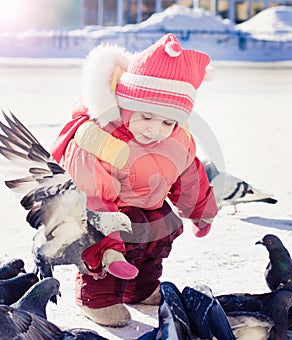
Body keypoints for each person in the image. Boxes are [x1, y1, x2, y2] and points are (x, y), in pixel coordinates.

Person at [50, 33, 218, 327]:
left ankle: (139, 288)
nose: (156, 129)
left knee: (161, 228)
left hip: (146, 205)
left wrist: (201, 211)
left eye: (168, 121)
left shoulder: (176, 139)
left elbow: (190, 176)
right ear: (126, 104)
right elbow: (89, 201)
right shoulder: (99, 140)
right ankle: (96, 297)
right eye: (146, 116)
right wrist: (109, 248)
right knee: (128, 230)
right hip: (105, 213)